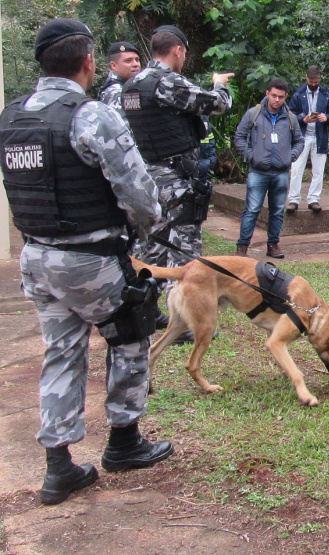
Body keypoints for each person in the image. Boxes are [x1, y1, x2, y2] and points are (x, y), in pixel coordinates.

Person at [0, 19, 169, 506]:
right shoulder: (91, 115)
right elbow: (141, 196)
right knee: (133, 332)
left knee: (61, 350)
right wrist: (147, 227)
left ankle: (58, 467)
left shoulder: (12, 117)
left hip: (35, 258)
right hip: (89, 259)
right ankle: (124, 441)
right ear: (89, 62)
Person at [123, 25, 233, 270]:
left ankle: (143, 306)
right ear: (177, 50)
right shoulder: (167, 82)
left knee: (150, 253)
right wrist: (220, 84)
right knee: (186, 261)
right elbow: (218, 104)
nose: (184, 58)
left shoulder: (132, 85)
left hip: (146, 179)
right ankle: (180, 308)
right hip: (175, 182)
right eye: (184, 53)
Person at [234, 78, 305, 258]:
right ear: (267, 94)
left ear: (285, 96)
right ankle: (242, 247)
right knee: (251, 209)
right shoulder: (254, 114)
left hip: (281, 172)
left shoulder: (290, 118)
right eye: (273, 96)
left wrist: (291, 156)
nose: (276, 100)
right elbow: (239, 137)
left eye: (281, 97)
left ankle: (273, 244)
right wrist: (250, 156)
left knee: (277, 211)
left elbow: (299, 141)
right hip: (258, 171)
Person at [288, 65, 329, 213]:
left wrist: (326, 117)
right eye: (312, 81)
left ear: (320, 79)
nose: (314, 84)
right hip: (302, 136)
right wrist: (304, 119)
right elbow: (290, 115)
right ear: (306, 78)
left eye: (317, 81)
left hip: (319, 137)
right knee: (297, 169)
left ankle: (314, 199)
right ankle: (293, 200)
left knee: (318, 170)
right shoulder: (298, 95)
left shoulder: (326, 95)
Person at [98, 41, 141, 115]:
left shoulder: (127, 86)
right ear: (114, 66)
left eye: (137, 60)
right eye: (128, 61)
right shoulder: (116, 92)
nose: (135, 64)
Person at [198, 115, 216, 184]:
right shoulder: (183, 116)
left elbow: (211, 140)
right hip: (188, 163)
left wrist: (211, 161)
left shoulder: (204, 118)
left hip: (203, 164)